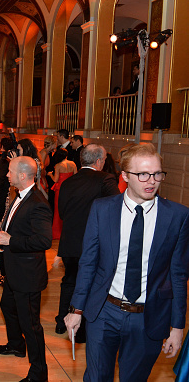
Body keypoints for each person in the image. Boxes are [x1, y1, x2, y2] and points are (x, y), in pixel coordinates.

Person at [65, 143, 189, 382]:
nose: (151, 180)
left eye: (157, 173)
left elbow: (178, 274)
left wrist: (177, 326)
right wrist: (76, 309)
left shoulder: (177, 216)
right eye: (142, 174)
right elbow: (88, 262)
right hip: (104, 312)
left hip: (149, 318)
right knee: (97, 377)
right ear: (124, 176)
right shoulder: (102, 209)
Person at [0, 156, 53, 382]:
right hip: (14, 272)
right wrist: (1, 226)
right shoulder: (20, 196)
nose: (7, 174)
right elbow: (18, 226)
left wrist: (10, 240)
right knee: (7, 307)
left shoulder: (38, 202)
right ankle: (16, 344)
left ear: (23, 175)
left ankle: (38, 373)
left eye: (10, 171)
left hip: (27, 276)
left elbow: (44, 241)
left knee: (31, 325)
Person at [53, 145, 119, 340]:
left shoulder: (68, 182)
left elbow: (63, 213)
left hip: (69, 243)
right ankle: (81, 331)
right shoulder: (105, 180)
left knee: (69, 281)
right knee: (90, 284)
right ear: (99, 161)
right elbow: (116, 209)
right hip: (93, 245)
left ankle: (60, 323)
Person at [48, 148, 77, 240]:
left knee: (58, 210)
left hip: (60, 189)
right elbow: (75, 176)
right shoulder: (73, 164)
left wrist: (50, 174)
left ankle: (57, 233)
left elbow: (55, 180)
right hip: (70, 189)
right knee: (68, 209)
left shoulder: (58, 165)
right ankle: (67, 232)